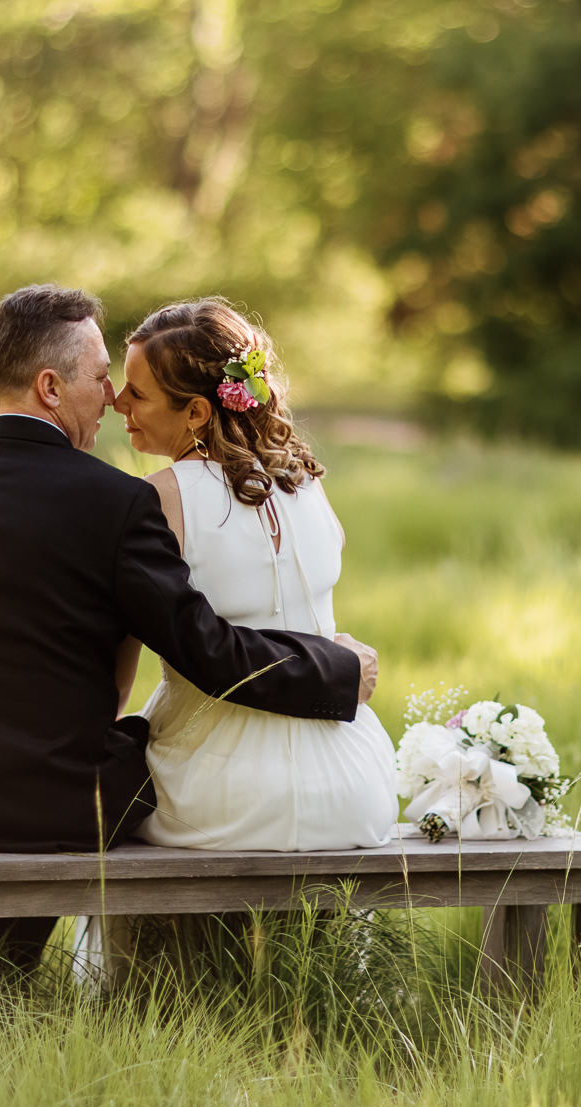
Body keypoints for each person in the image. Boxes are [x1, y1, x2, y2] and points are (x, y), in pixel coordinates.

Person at [0, 284, 379, 997]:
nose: (113, 399)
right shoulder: (118, 502)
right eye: (101, 380)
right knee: (93, 788)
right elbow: (205, 648)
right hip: (50, 799)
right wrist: (336, 668)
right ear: (50, 386)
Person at [110, 297, 399, 850]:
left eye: (137, 393)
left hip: (215, 788)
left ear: (196, 412)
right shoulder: (308, 483)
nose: (116, 401)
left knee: (120, 803)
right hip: (349, 781)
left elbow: (121, 667)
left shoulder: (156, 499)